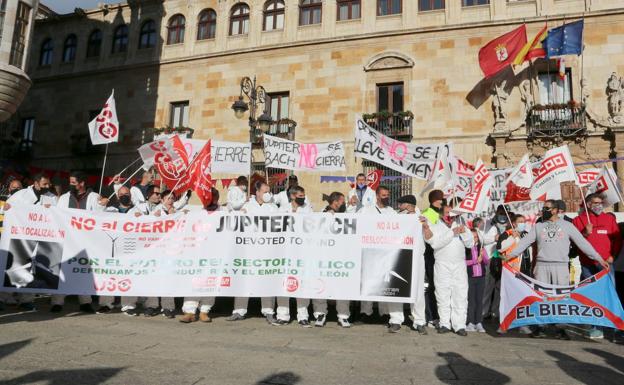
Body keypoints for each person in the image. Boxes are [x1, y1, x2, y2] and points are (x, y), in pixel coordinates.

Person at [508, 199, 608, 340]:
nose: (544, 211)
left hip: (561, 266)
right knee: (541, 297)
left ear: (555, 210)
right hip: (542, 265)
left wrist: (599, 258)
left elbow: (582, 243)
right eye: (543, 208)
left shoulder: (567, 225)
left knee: (560, 298)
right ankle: (540, 327)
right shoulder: (538, 226)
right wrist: (510, 255)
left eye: (547, 208)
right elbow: (525, 242)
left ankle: (560, 329)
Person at [51, 171, 107, 313]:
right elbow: (57, 216)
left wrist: (102, 206)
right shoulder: (64, 198)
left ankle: (85, 302)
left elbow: (99, 217)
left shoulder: (94, 197)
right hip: (67, 240)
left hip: (86, 241)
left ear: (82, 183)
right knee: (62, 270)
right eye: (70, 182)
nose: (70, 184)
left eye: (73, 182)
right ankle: (57, 302)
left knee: (84, 271)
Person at [226, 181, 279, 325]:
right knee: (243, 278)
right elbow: (233, 217)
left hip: (266, 249)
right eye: (264, 191)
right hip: (248, 249)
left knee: (267, 279)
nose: (267, 194)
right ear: (257, 192)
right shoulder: (247, 206)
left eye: (269, 192)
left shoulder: (273, 208)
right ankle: (239, 310)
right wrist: (239, 214)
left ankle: (268, 311)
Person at [571, 193, 621, 340]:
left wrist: (613, 256)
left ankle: (613, 327)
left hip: (605, 264)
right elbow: (574, 242)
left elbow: (617, 239)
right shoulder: (578, 220)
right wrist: (584, 233)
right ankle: (596, 327)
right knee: (592, 296)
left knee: (610, 295)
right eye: (595, 202)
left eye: (601, 203)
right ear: (588, 204)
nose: (599, 205)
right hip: (587, 265)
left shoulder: (609, 219)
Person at [357, 186, 405, 333]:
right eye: (383, 195)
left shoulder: (391, 212)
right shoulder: (366, 210)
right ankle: (366, 312)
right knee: (369, 281)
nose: (386, 197)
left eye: (387, 195)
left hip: (387, 253)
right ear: (377, 196)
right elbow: (355, 221)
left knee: (386, 282)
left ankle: (385, 313)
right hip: (370, 251)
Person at [424, 200, 473, 336]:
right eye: (447, 213)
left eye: (452, 213)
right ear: (441, 214)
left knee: (460, 295)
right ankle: (445, 323)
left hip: (459, 265)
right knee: (442, 294)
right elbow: (435, 244)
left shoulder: (461, 222)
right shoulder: (435, 224)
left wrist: (464, 233)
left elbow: (470, 244)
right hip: (442, 264)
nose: (450, 216)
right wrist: (452, 232)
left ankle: (459, 325)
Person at [179, 188, 220, 323]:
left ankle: (204, 311)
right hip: (197, 254)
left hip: (215, 255)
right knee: (193, 281)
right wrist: (181, 214)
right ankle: (190, 311)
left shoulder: (224, 213)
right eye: (206, 198)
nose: (209, 200)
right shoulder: (196, 213)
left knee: (210, 282)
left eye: (212, 198)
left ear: (217, 198)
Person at [277, 185, 313, 327]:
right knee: (283, 283)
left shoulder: (307, 208)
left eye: (303, 195)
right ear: (292, 196)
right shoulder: (282, 208)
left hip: (301, 250)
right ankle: (282, 315)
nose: (302, 198)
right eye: (300, 195)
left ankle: (303, 316)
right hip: (285, 250)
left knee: (302, 282)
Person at [99, 186, 136, 314]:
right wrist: (101, 206)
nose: (124, 196)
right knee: (109, 276)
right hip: (111, 248)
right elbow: (94, 217)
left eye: (127, 194)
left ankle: (128, 305)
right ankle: (106, 303)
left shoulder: (138, 211)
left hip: (129, 248)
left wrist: (140, 218)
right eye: (121, 194)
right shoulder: (109, 210)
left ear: (131, 195)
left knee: (127, 276)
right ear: (117, 196)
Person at [317, 192, 351, 328]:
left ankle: (343, 315)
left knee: (342, 285)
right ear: (335, 201)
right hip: (324, 255)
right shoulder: (322, 213)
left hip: (341, 255)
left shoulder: (346, 214)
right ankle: (320, 313)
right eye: (342, 201)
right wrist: (327, 216)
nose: (344, 204)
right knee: (320, 285)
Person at [142, 189, 177, 318]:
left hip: (171, 251)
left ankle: (168, 307)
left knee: (168, 279)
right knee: (153, 278)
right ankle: (152, 305)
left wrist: (174, 215)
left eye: (172, 198)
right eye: (168, 198)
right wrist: (153, 218)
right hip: (156, 251)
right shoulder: (155, 212)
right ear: (162, 200)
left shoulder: (177, 213)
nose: (170, 200)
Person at [397, 194, 428, 335]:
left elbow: (431, 235)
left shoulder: (424, 216)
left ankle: (419, 321)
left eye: (401, 204)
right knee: (396, 287)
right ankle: (396, 319)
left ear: (408, 205)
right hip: (399, 256)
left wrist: (425, 224)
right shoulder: (397, 216)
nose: (398, 206)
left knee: (417, 290)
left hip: (416, 258)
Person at [420, 190, 444, 328]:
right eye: (440, 199)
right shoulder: (427, 214)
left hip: (440, 255)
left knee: (438, 286)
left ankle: (438, 315)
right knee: (430, 286)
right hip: (430, 254)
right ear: (434, 200)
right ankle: (430, 316)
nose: (442, 202)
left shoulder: (441, 214)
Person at [482, 206, 510, 322]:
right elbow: (482, 239)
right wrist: (494, 237)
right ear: (497, 212)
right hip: (490, 259)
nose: (503, 215)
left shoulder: (509, 225)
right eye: (501, 213)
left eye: (505, 213)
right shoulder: (488, 223)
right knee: (488, 286)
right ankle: (484, 311)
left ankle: (495, 311)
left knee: (499, 287)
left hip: (503, 260)